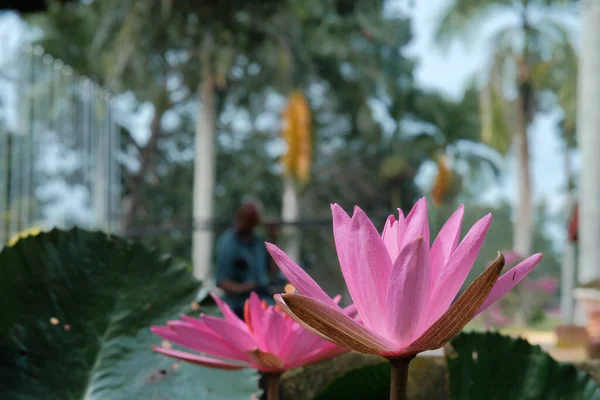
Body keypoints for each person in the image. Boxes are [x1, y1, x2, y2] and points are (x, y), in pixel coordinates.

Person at [215, 200, 271, 318]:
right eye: (247, 217)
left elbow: (271, 271)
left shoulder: (258, 242)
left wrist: (274, 239)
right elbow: (221, 281)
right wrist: (242, 288)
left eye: (253, 218)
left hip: (261, 299)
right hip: (237, 304)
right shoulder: (228, 243)